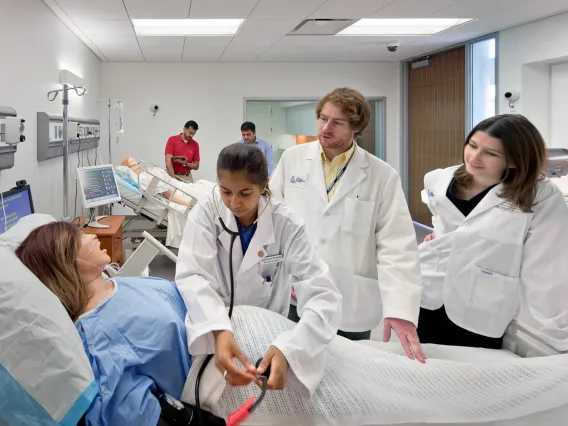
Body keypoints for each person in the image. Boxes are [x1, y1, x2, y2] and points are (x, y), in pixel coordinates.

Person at [270, 88, 426, 363]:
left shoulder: (382, 176)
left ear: (356, 128)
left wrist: (400, 309)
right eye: (322, 118)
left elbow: (397, 246)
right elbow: (272, 221)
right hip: (295, 291)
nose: (325, 128)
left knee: (348, 371)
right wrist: (280, 273)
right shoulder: (293, 159)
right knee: (290, 367)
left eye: (337, 122)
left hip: (350, 298)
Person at [175, 143, 342, 396]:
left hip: (269, 331)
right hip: (216, 323)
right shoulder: (206, 213)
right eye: (225, 191)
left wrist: (291, 349)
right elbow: (192, 274)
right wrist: (218, 330)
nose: (234, 202)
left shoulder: (287, 224)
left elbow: (323, 295)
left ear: (264, 184)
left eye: (245, 193)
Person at [14, 222, 217, 426]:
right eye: (79, 237)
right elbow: (137, 414)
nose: (92, 236)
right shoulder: (98, 342)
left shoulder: (118, 285)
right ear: (64, 261)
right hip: (212, 378)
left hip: (218, 330)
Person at [418, 114, 568, 352]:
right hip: (428, 294)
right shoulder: (438, 179)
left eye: (491, 153)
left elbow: (547, 267)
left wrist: (560, 335)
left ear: (515, 161)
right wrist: (441, 235)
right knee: (421, 371)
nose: (474, 157)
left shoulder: (540, 196)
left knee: (472, 378)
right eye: (473, 145)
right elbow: (439, 215)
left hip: (479, 308)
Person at [119, 156, 197, 206]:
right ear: (131, 168)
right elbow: (166, 192)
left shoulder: (146, 172)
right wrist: (188, 203)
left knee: (203, 186)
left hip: (181, 186)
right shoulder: (142, 178)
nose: (137, 160)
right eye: (133, 161)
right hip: (180, 192)